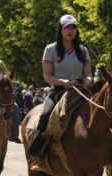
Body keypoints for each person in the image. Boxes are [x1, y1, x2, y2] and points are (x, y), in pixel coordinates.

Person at [27, 14, 92, 155]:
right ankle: (38, 154)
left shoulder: (83, 50)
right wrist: (62, 82)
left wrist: (88, 81)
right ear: (61, 30)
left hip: (81, 91)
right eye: (67, 27)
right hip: (57, 91)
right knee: (45, 116)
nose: (71, 30)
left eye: (74, 27)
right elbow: (47, 76)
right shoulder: (50, 49)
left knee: (103, 113)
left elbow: (88, 73)